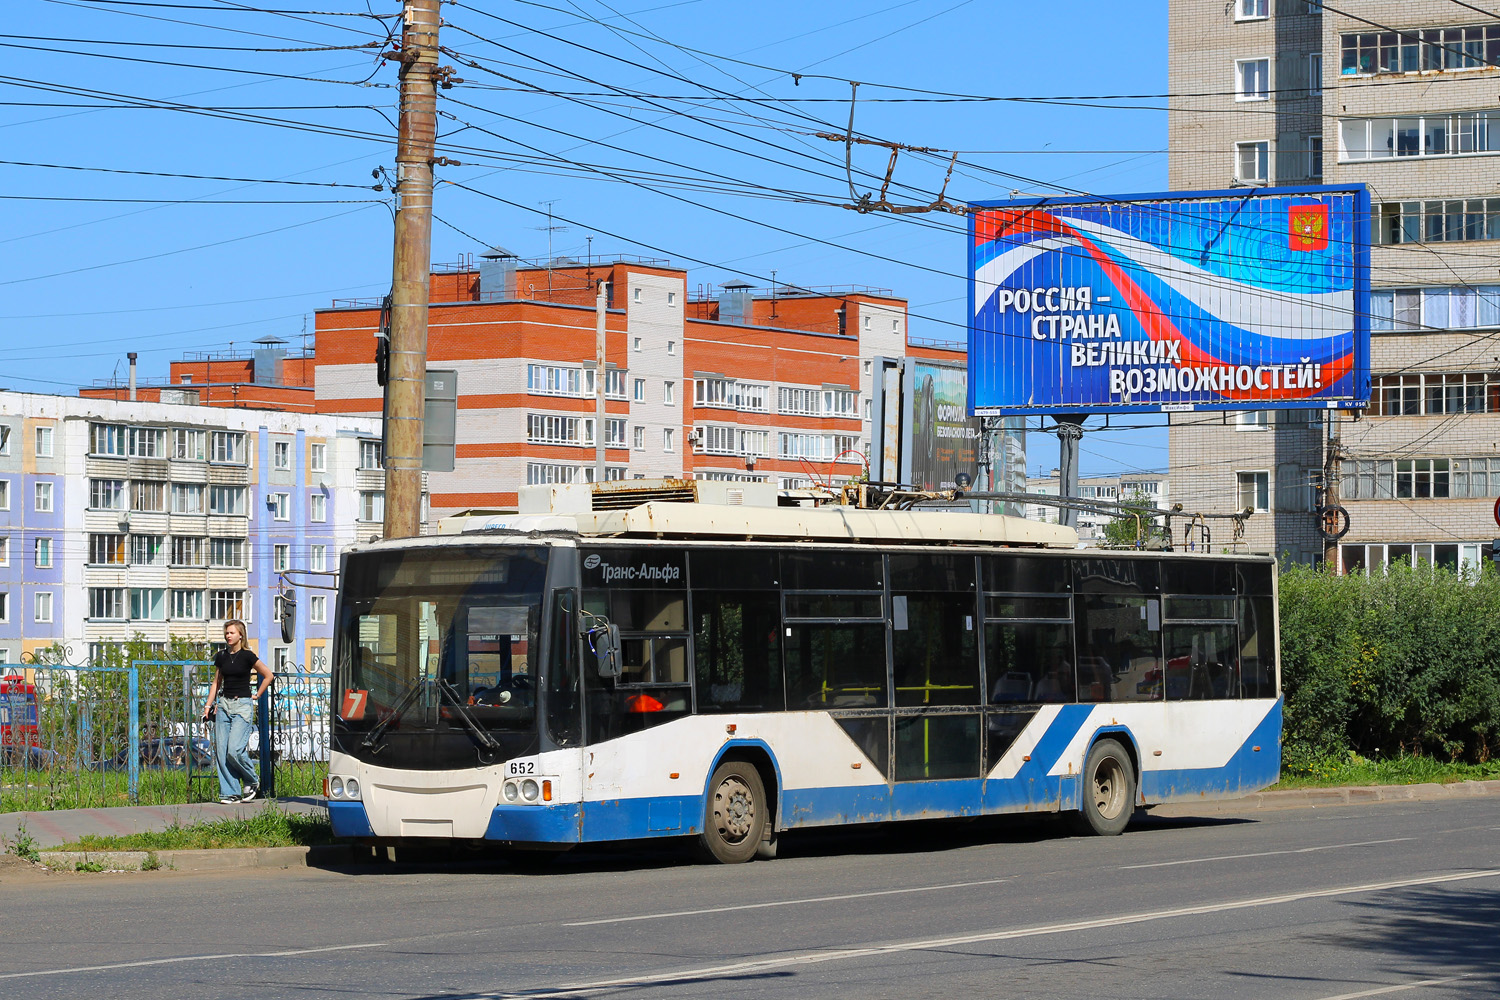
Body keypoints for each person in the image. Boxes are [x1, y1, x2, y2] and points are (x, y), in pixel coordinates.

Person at [202, 619, 274, 804]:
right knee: (222, 752)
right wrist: (208, 706)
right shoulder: (221, 656)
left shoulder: (248, 656)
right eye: (226, 633)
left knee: (234, 750)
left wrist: (257, 694)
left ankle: (252, 779)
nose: (228, 636)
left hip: (242, 706)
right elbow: (216, 683)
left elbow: (268, 675)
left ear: (240, 635)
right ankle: (230, 793)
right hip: (223, 705)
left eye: (231, 632)